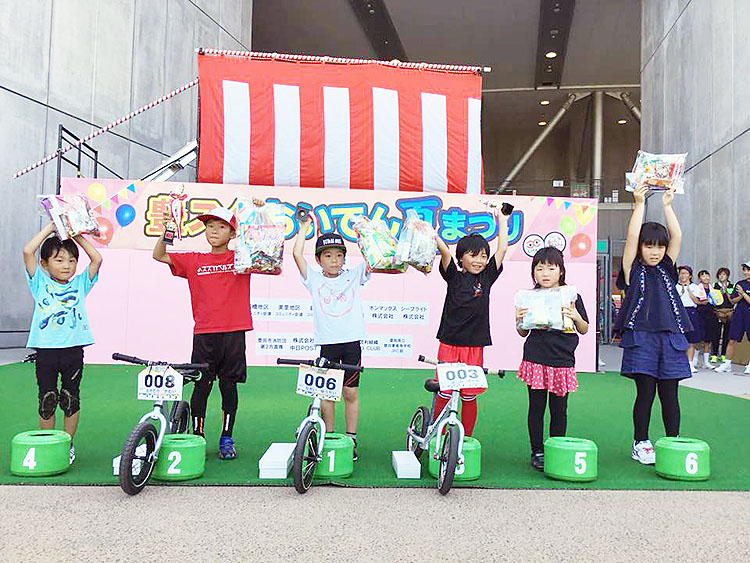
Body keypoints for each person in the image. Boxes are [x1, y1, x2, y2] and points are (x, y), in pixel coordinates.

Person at [153, 206, 257, 460]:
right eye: (210, 225)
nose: (214, 231)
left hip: (234, 333)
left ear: (233, 233)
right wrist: (167, 229)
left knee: (229, 386)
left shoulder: (242, 257)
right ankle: (198, 435)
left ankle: (226, 437)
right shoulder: (194, 260)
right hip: (204, 334)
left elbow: (269, 253)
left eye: (221, 227)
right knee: (201, 386)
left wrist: (259, 212)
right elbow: (159, 255)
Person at [614, 184, 692, 465]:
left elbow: (678, 236)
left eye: (659, 246)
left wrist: (668, 206)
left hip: (671, 338)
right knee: (645, 393)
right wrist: (638, 204)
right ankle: (641, 442)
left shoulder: (669, 268)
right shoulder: (632, 269)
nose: (655, 251)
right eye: (650, 246)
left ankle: (673, 442)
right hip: (642, 338)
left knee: (670, 394)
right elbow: (632, 236)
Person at [22, 222, 102, 464]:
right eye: (59, 260)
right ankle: (48, 444)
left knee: (70, 398)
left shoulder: (80, 284)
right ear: (45, 265)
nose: (67, 265)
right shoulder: (39, 282)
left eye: (71, 260)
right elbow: (28, 251)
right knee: (47, 399)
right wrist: (52, 226)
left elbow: (96, 259)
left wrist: (75, 234)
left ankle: (66, 445)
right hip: (46, 352)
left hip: (73, 351)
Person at [292, 213, 369, 460]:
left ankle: (352, 439)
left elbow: (372, 257)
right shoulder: (313, 279)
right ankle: (330, 435)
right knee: (327, 393)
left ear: (345, 258)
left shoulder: (354, 275)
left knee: (351, 393)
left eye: (339, 255)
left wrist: (364, 233)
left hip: (352, 344)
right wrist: (303, 227)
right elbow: (296, 255)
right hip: (327, 345)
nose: (334, 260)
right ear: (318, 259)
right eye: (328, 255)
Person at [432, 208, 509, 438]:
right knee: (445, 393)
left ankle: (464, 439)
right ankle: (437, 433)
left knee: (469, 396)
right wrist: (435, 238)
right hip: (449, 344)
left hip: (474, 347)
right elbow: (445, 254)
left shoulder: (487, 278)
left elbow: (502, 248)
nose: (480, 260)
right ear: (461, 258)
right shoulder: (454, 276)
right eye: (473, 255)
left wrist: (502, 220)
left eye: (483, 256)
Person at [514, 247, 588, 471]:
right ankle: (537, 451)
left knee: (559, 408)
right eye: (539, 268)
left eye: (551, 268)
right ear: (533, 273)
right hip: (536, 357)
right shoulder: (528, 297)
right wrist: (518, 320)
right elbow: (523, 332)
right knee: (536, 407)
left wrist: (576, 316)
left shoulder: (572, 296)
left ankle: (556, 448)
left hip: (562, 359)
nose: (545, 273)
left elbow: (584, 329)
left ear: (561, 271)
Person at [713, 261, 750, 375]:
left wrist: (743, 294)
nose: (745, 272)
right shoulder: (740, 283)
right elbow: (733, 300)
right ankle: (727, 364)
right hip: (739, 314)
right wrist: (739, 295)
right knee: (732, 339)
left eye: (748, 270)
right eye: (744, 270)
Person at [676, 265, 707, 373]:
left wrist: (688, 291)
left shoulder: (695, 287)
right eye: (681, 273)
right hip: (679, 312)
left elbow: (698, 302)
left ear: (690, 275)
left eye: (685, 273)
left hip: (691, 312)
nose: (683, 275)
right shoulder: (675, 286)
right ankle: (678, 362)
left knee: (691, 340)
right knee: (678, 338)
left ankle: (690, 363)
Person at [712, 267, 738, 362]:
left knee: (727, 334)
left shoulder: (732, 286)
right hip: (718, 312)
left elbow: (733, 299)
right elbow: (713, 299)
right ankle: (714, 354)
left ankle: (723, 354)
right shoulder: (715, 285)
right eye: (720, 274)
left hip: (729, 312)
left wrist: (726, 290)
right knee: (716, 333)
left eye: (723, 274)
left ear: (727, 276)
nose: (721, 276)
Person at [696, 269, 720, 368]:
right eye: (703, 275)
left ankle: (706, 361)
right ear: (699, 278)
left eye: (707, 275)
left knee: (708, 339)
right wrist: (702, 302)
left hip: (711, 314)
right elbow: (696, 301)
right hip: (700, 314)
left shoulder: (713, 288)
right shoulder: (697, 288)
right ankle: (695, 360)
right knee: (698, 338)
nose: (705, 277)